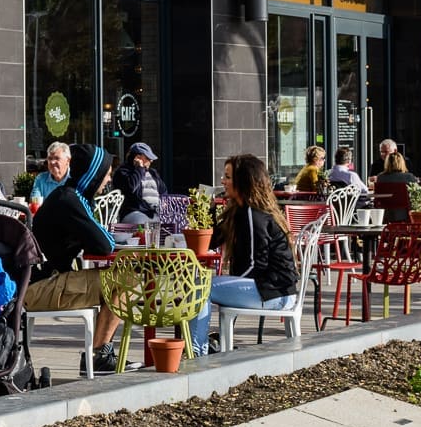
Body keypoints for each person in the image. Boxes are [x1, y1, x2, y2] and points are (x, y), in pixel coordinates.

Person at [26, 142, 134, 373]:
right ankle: (98, 357)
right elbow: (104, 245)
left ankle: (100, 354)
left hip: (41, 281)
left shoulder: (70, 197)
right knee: (127, 281)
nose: (108, 180)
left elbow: (97, 240)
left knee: (118, 279)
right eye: (106, 175)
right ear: (92, 175)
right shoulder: (70, 200)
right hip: (42, 286)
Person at [187, 154, 299, 358]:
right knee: (201, 284)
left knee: (201, 286)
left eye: (228, 177)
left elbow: (257, 265)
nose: (222, 181)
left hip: (273, 292)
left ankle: (196, 352)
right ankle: (199, 349)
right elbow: (212, 241)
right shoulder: (239, 211)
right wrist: (208, 211)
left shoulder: (253, 215)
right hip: (270, 289)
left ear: (243, 181)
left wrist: (230, 282)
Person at [114, 141, 167, 229]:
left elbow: (163, 190)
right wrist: (139, 168)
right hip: (134, 213)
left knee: (168, 225)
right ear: (137, 157)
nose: (151, 160)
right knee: (141, 221)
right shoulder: (123, 172)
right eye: (148, 157)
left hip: (153, 213)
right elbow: (131, 187)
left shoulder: (152, 172)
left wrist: (163, 203)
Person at [372, 152, 419, 216]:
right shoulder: (409, 177)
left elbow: (377, 198)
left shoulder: (380, 177)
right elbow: (416, 196)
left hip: (385, 213)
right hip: (405, 213)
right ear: (402, 163)